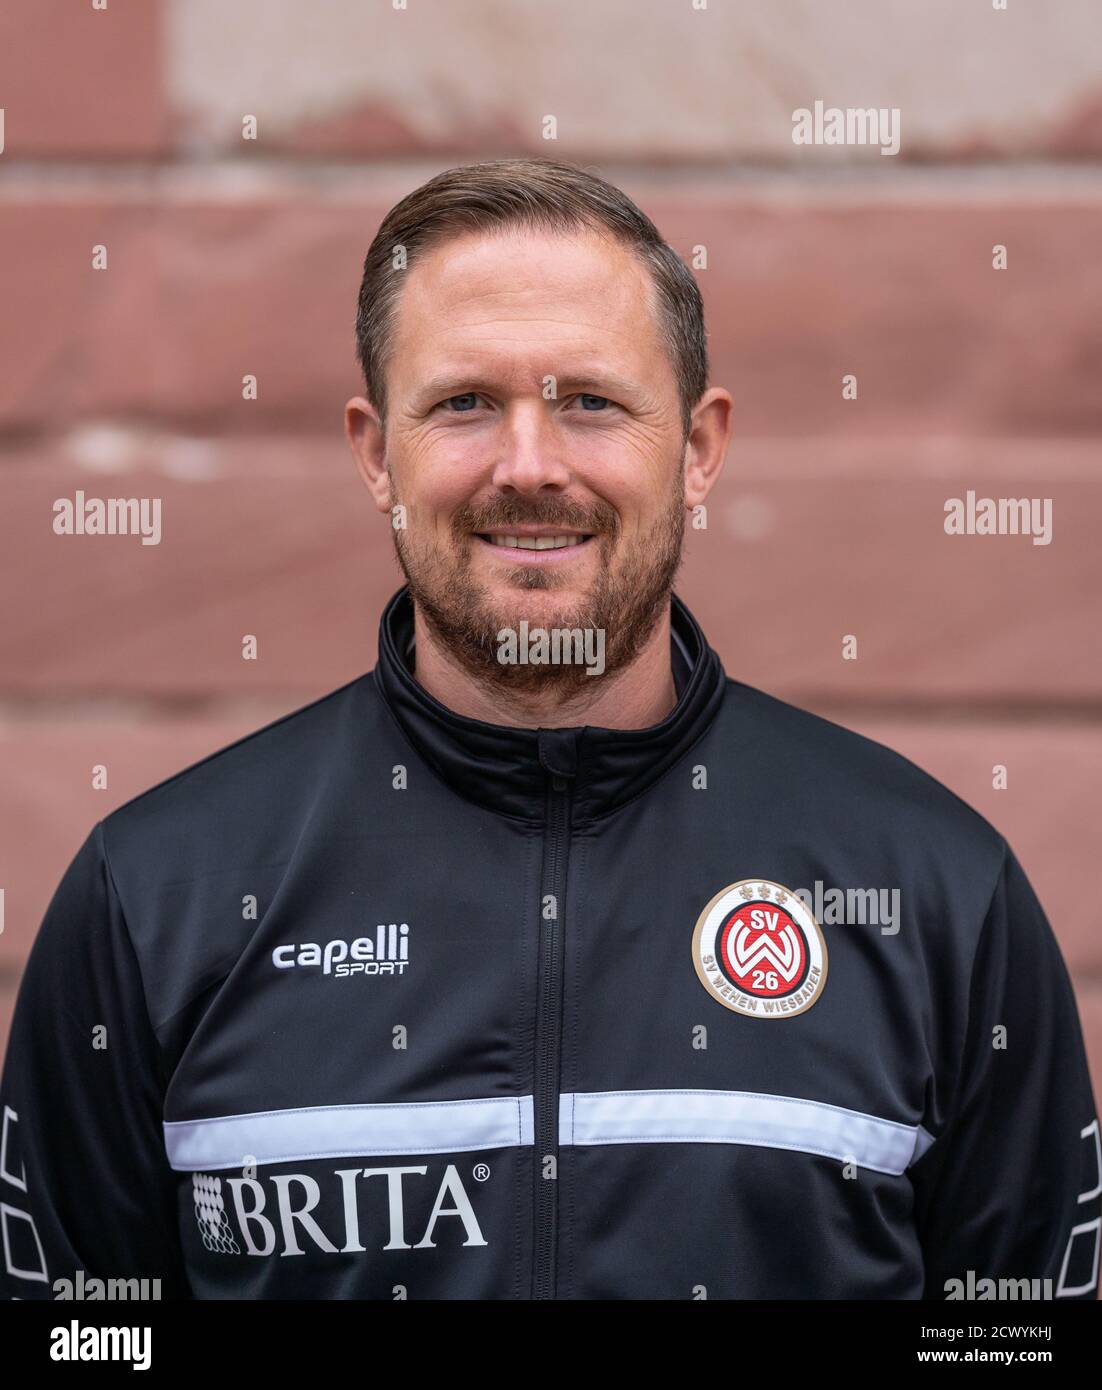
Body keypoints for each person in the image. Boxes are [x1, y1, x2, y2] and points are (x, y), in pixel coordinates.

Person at [1, 158, 1097, 1301]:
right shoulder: (156, 894)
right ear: (378, 453)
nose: (530, 467)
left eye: (591, 401)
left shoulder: (935, 888)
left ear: (700, 448)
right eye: (466, 402)